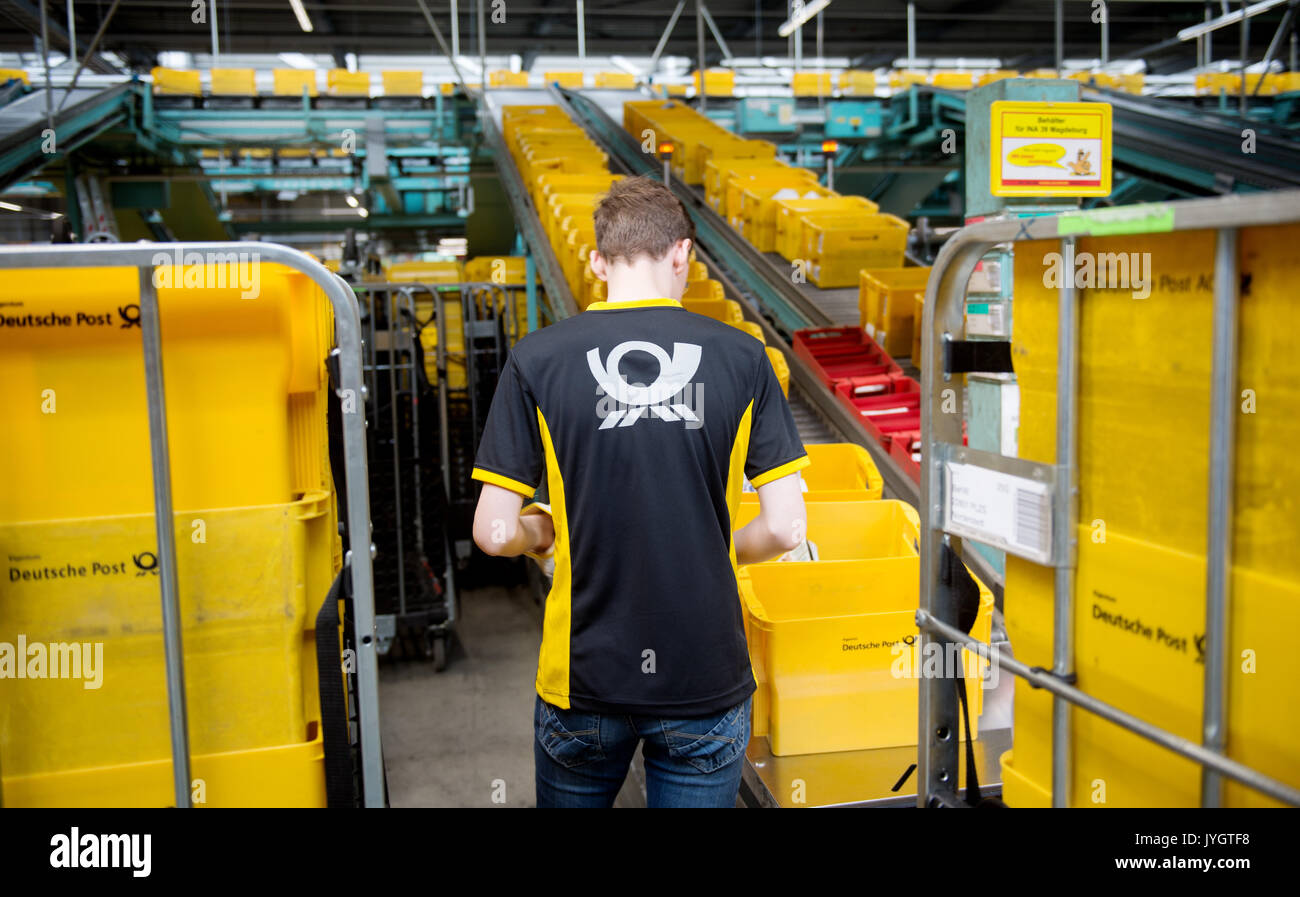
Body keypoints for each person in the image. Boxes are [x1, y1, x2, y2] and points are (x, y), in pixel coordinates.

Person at [470, 175, 808, 808]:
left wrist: (543, 530)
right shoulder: (746, 358)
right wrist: (710, 550)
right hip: (703, 675)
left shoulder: (537, 359)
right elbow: (788, 529)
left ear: (596, 262)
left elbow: (492, 534)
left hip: (582, 677)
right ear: (682, 255)